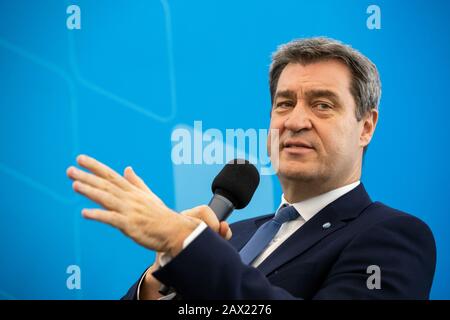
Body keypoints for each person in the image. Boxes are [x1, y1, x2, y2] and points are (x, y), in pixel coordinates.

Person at [67, 37, 436, 299]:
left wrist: (183, 242)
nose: (295, 121)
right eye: (284, 103)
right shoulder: (232, 236)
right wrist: (158, 278)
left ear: (366, 126)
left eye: (322, 105)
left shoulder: (394, 236)